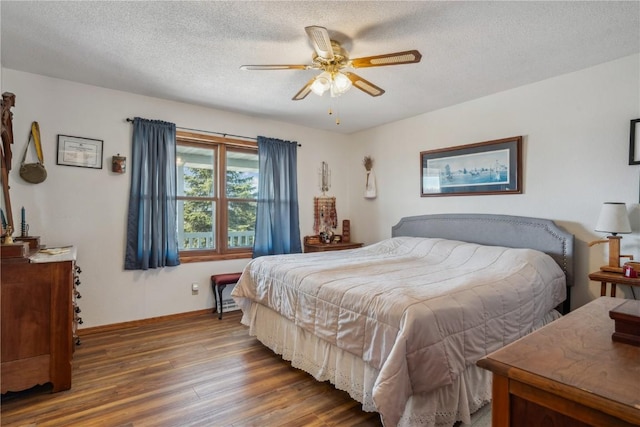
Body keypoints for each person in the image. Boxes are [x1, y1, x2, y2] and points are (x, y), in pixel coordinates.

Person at [1, 92, 16, 172]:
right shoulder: (4, 108)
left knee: (8, 153)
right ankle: (7, 170)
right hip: (3, 130)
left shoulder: (5, 109)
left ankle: (7, 171)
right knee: (8, 153)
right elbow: (4, 120)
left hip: (4, 130)